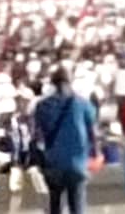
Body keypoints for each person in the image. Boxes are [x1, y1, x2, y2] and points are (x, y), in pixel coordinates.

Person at [34, 68, 96, 214]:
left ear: (53, 83)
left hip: (53, 161)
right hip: (77, 161)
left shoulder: (43, 106)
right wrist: (95, 153)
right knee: (77, 204)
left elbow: (38, 135)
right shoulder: (83, 104)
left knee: (55, 204)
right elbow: (92, 131)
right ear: (70, 81)